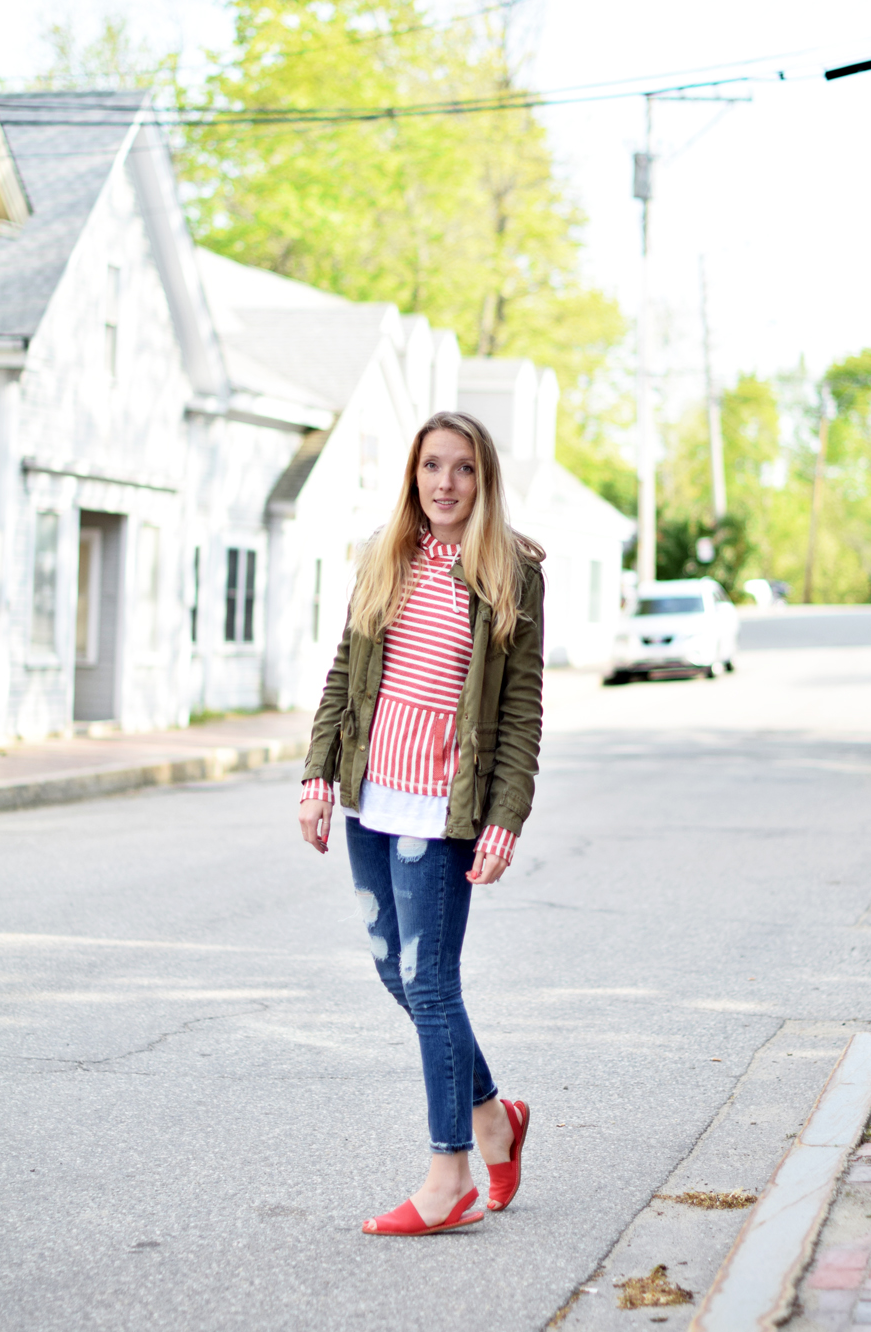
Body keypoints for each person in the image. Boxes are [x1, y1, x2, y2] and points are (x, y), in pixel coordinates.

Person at [297, 410, 545, 1238]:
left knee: (432, 980)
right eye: (432, 466)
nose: (445, 483)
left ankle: (450, 1177)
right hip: (373, 798)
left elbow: (519, 714)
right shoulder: (385, 557)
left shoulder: (512, 574)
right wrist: (318, 773)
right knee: (397, 977)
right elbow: (345, 673)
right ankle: (495, 1120)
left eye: (464, 468)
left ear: (485, 480)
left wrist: (505, 818)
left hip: (444, 811)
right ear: (413, 474)